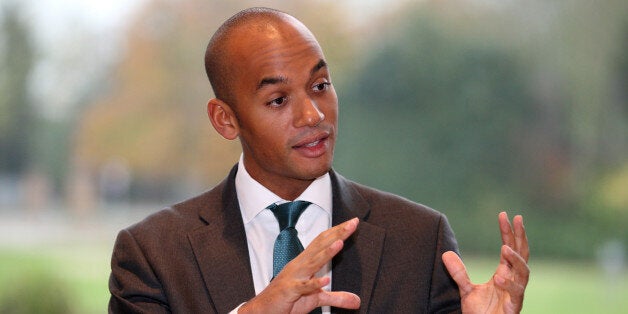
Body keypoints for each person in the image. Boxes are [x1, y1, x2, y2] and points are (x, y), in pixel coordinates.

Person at [108, 7, 529, 314]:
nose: (314, 115)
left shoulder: (420, 240)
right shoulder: (152, 255)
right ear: (225, 119)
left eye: (320, 84)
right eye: (277, 99)